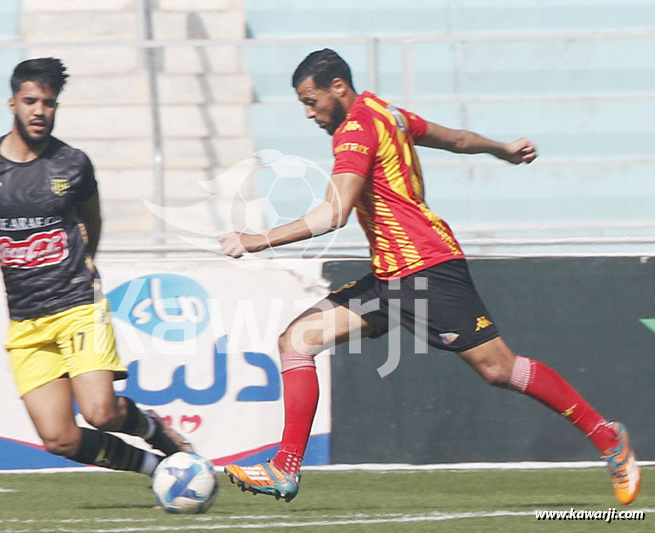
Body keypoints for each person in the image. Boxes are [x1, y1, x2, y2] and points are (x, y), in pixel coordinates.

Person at [219, 49, 640, 505]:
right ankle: (285, 468)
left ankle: (608, 437)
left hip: (427, 267)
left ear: (338, 87)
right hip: (389, 277)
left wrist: (258, 239)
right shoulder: (388, 113)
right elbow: (455, 139)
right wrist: (502, 149)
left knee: (499, 369)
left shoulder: (356, 128)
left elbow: (335, 212)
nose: (309, 113)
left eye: (311, 100)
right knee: (296, 341)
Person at [0, 57, 192, 476]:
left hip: (77, 306)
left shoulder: (72, 164)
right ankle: (157, 469)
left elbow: (93, 221)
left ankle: (157, 432)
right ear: (12, 102)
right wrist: (6, 254)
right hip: (26, 321)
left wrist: (81, 262)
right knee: (60, 440)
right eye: (31, 101)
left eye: (49, 104)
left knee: (101, 413)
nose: (39, 112)